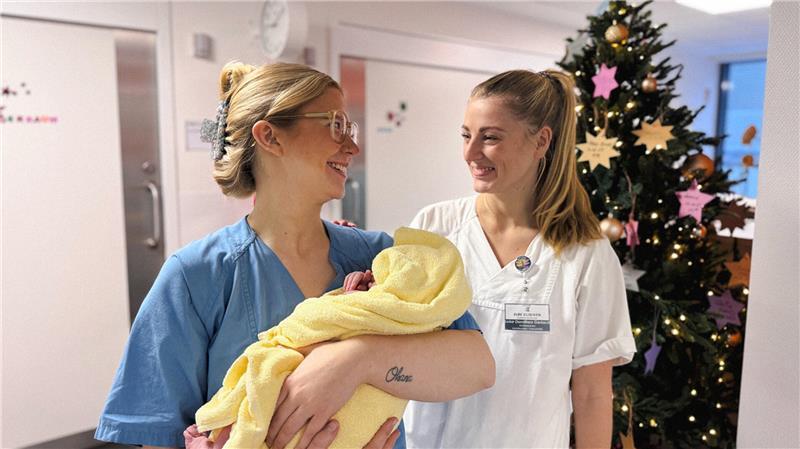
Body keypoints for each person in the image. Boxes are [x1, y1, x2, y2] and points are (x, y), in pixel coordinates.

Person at [95, 61, 495, 449]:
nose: (352, 145)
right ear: (270, 137)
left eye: (349, 127)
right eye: (335, 125)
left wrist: (359, 358)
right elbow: (159, 436)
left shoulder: (379, 258)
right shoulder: (196, 276)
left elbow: (477, 366)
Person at [403, 69, 636, 448]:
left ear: (541, 141)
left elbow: (592, 394)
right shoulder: (434, 227)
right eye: (466, 135)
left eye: (490, 137)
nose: (470, 152)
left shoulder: (584, 253)